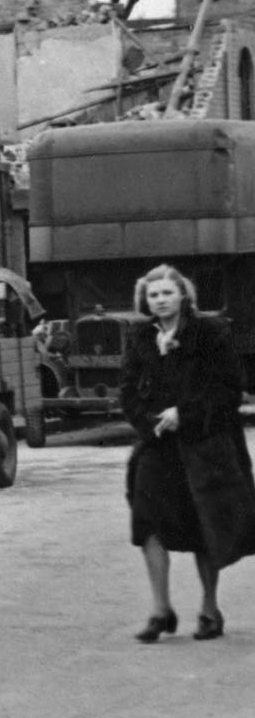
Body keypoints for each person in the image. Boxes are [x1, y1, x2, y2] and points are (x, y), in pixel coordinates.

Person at [118, 263, 255, 641]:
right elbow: (127, 390)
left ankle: (210, 609)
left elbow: (231, 388)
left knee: (203, 522)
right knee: (146, 521)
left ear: (183, 296)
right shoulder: (140, 337)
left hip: (205, 443)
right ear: (144, 301)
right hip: (157, 444)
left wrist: (185, 414)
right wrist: (149, 422)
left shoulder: (211, 332)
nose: (160, 300)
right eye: (153, 295)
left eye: (167, 293)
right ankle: (161, 610)